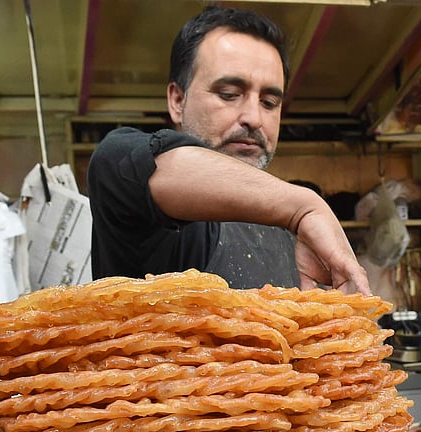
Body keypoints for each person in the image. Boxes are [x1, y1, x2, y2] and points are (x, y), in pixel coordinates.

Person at [87, 7, 369, 295]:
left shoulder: (292, 232)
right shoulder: (149, 205)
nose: (254, 117)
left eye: (269, 102)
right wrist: (303, 208)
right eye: (229, 95)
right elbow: (115, 164)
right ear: (177, 100)